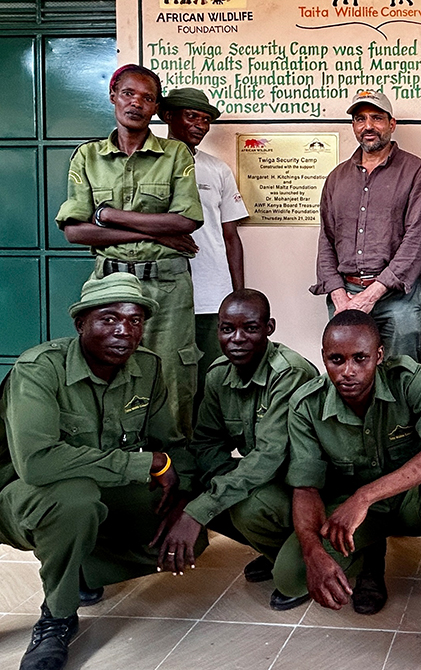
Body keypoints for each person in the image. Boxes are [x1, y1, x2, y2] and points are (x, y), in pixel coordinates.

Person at [0, 273, 196, 670]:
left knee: (184, 536)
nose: (124, 330)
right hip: (20, 495)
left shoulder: (147, 368)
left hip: (95, 488)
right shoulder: (38, 370)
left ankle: (80, 569)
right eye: (108, 319)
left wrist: (186, 505)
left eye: (135, 320)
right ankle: (57, 617)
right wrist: (145, 463)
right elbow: (38, 464)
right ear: (81, 324)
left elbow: (170, 445)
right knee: (75, 500)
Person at [272, 310, 421, 670]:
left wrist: (365, 496)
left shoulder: (409, 379)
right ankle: (369, 561)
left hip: (408, 501)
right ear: (324, 358)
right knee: (291, 575)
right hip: (354, 517)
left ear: (379, 356)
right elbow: (306, 488)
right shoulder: (307, 405)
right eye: (336, 359)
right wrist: (311, 550)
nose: (348, 370)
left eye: (359, 358)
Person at [56, 64, 205, 439]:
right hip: (109, 283)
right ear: (113, 95)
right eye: (128, 93)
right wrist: (158, 234)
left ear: (156, 107)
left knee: (172, 375)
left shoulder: (175, 155)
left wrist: (107, 216)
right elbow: (74, 231)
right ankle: (115, 460)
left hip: (167, 287)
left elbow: (186, 221)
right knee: (107, 371)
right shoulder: (88, 158)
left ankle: (175, 468)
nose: (136, 103)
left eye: (147, 98)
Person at [153, 289, 318, 585]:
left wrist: (199, 512)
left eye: (250, 328)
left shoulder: (289, 373)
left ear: (269, 329)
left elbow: (270, 455)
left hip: (305, 488)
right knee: (201, 489)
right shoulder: (218, 374)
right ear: (218, 329)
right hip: (266, 479)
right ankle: (278, 552)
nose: (237, 338)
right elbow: (206, 442)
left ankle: (302, 561)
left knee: (246, 507)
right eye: (228, 329)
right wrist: (210, 487)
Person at [311, 90, 421, 362]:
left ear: (392, 124)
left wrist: (371, 296)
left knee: (400, 379)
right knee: (351, 381)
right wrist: (340, 297)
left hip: (396, 299)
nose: (368, 126)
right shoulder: (336, 178)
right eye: (360, 119)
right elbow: (326, 242)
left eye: (377, 118)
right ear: (353, 126)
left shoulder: (415, 171)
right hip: (345, 295)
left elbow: (417, 242)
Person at [157, 87, 250, 413]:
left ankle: (207, 453)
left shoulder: (217, 169)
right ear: (169, 116)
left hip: (213, 295)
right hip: (163, 295)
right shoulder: (148, 164)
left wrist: (239, 295)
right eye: (192, 116)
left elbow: (230, 236)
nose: (200, 125)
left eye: (205, 119)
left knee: (212, 381)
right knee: (166, 381)